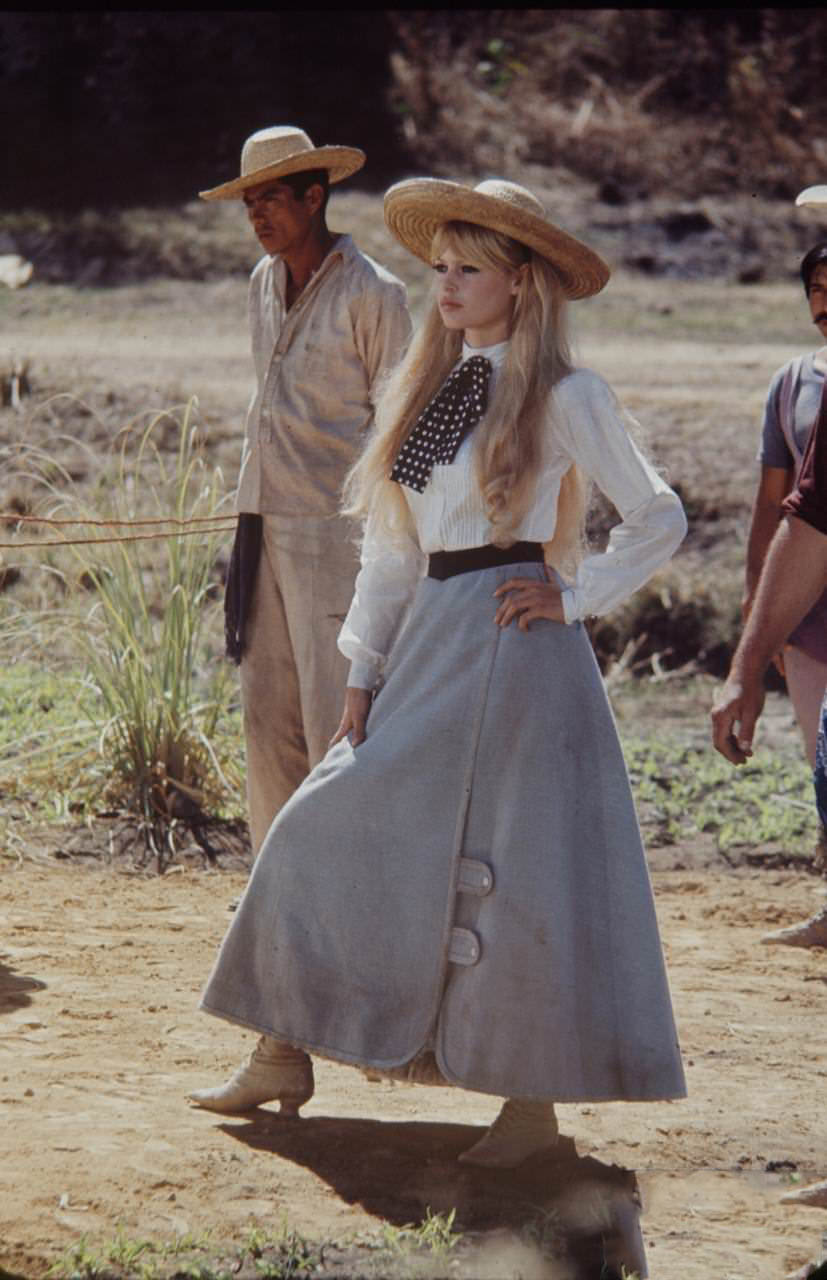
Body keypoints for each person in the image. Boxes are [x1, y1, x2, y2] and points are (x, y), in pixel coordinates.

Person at [189, 177, 688, 1169]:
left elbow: (658, 514)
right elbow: (392, 550)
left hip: (516, 644)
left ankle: (528, 1106)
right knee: (318, 821)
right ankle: (282, 1048)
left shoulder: (565, 395)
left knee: (521, 869)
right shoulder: (428, 386)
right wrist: (363, 683)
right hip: (430, 640)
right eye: (439, 268)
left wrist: (568, 593)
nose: (446, 286)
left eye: (467, 269)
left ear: (518, 280)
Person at [198, 125, 411, 858]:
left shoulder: (374, 292)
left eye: (273, 200)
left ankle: (343, 882)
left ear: (315, 197)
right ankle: (276, 883)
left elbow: (401, 424)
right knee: (266, 717)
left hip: (338, 532)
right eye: (250, 203)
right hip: (260, 520)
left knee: (338, 714)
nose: (258, 216)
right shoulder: (262, 282)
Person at [744, 241, 827, 771]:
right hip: (808, 611)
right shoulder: (792, 383)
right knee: (820, 757)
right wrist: (758, 609)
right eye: (816, 291)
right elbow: (770, 507)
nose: (824, 304)